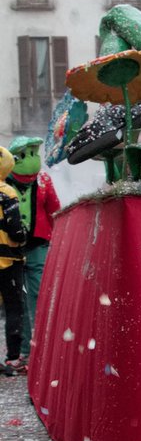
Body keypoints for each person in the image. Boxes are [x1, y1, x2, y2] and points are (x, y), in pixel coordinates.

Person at [7, 136, 61, 363]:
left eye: (33, 154)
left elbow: (54, 210)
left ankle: (41, 346)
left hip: (38, 245)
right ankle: (26, 349)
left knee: (38, 296)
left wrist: (56, 239)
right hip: (10, 249)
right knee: (16, 298)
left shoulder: (44, 181)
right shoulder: (4, 183)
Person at [0, 147, 27, 375]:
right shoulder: (6, 192)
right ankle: (13, 358)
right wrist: (24, 236)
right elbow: (15, 230)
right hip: (7, 260)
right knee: (13, 308)